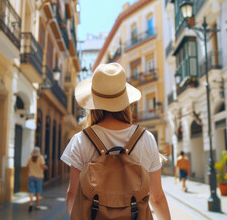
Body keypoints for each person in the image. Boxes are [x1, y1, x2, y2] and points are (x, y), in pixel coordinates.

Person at [61, 63, 171, 219]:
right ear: (125, 101)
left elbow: (72, 195)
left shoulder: (81, 140)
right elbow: (157, 198)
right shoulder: (146, 138)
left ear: (93, 103)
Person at [26, 147, 48, 212]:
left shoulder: (30, 158)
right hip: (39, 177)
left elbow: (27, 166)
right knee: (38, 192)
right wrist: (46, 167)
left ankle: (30, 203)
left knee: (31, 191)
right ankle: (37, 205)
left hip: (31, 176)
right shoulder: (41, 158)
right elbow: (42, 166)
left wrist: (31, 169)